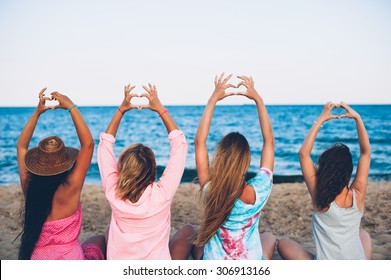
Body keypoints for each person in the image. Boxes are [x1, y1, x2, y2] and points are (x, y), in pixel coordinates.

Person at [173, 74, 276, 260]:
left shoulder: (211, 189)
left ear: (220, 158)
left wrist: (213, 99)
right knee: (268, 238)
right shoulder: (260, 190)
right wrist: (258, 100)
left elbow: (199, 143)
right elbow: (269, 142)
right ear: (246, 161)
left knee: (196, 237)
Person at [97, 84, 188, 260]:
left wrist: (121, 110)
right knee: (190, 231)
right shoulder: (162, 195)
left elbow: (105, 146)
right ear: (152, 169)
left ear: (122, 168)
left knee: (105, 234)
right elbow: (180, 145)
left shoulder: (114, 193)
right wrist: (160, 109)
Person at [16, 88, 105, 260]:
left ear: (37, 165)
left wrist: (37, 113)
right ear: (64, 164)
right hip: (70, 258)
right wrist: (71, 106)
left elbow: (21, 146)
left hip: (37, 257)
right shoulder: (70, 188)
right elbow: (88, 144)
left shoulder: (30, 187)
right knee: (99, 240)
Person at [277, 102, 372, 260]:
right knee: (364, 235)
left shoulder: (320, 195)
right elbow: (365, 153)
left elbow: (303, 154)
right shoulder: (357, 194)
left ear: (324, 169)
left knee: (282, 244)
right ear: (348, 172)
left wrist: (320, 120)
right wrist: (358, 118)